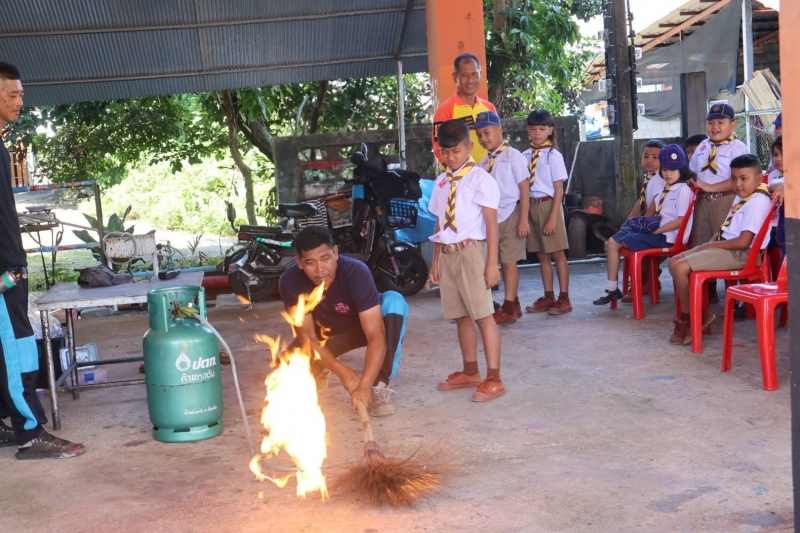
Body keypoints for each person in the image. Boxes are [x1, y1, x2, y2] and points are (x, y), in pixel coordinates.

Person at [0, 63, 85, 459]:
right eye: (12, 94)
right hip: (3, 272)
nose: (20, 101)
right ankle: (30, 433)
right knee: (17, 350)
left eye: (21, 94)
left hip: (8, 265)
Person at [278, 226, 408, 417]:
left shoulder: (356, 272)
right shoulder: (290, 281)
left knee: (395, 302)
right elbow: (308, 338)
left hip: (360, 328)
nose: (320, 269)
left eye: (325, 258)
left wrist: (364, 384)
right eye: (310, 262)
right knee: (283, 372)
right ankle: (324, 366)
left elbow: (376, 336)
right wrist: (342, 371)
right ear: (299, 262)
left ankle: (379, 385)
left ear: (335, 253)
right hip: (327, 334)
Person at [427, 119, 505, 402]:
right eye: (445, 152)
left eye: (455, 151)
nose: (450, 157)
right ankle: (470, 370)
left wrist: (491, 263)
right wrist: (435, 262)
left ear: (469, 147)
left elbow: (491, 224)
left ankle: (494, 378)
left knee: (483, 315)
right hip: (447, 255)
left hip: (472, 252)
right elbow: (440, 223)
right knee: (459, 315)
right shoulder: (441, 182)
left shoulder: (480, 179)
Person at [668, 154, 773, 345]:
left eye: (743, 178)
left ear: (759, 178)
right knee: (674, 261)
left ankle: (688, 318)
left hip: (743, 254)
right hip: (727, 247)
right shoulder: (743, 196)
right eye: (734, 178)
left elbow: (743, 242)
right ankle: (699, 315)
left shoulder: (758, 201)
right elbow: (725, 229)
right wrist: (706, 245)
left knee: (682, 267)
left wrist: (709, 246)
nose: (738, 184)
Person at [593, 145, 694, 305]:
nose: (668, 174)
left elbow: (681, 221)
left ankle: (642, 281)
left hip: (668, 237)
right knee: (613, 241)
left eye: (673, 170)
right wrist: (639, 225)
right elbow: (650, 212)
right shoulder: (666, 189)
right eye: (665, 169)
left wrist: (658, 230)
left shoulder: (683, 190)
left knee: (624, 241)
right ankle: (611, 288)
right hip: (657, 232)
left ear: (682, 170)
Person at [689, 103, 749, 304]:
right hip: (702, 202)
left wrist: (711, 187)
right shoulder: (703, 146)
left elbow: (740, 179)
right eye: (711, 122)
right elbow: (694, 171)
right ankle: (708, 291)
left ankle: (736, 295)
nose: (715, 127)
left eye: (720, 122)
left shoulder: (738, 148)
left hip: (726, 201)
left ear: (732, 125)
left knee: (725, 244)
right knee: (701, 244)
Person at [473, 111, 529, 325]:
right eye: (479, 135)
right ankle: (514, 302)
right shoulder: (484, 162)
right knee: (499, 261)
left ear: (499, 130)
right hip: (493, 217)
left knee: (509, 262)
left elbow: (524, 188)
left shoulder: (513, 156)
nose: (483, 138)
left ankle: (508, 309)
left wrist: (523, 219)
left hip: (511, 213)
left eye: (487, 133)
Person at [522, 110, 572, 316]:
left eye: (542, 129)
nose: (537, 133)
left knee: (557, 253)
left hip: (549, 205)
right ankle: (548, 296)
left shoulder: (554, 155)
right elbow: (523, 187)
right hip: (531, 206)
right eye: (533, 129)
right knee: (542, 255)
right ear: (528, 130)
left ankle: (564, 298)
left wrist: (552, 218)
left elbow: (559, 189)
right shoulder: (524, 156)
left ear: (550, 130)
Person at [619, 139, 666, 303]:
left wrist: (641, 227)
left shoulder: (662, 178)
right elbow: (642, 202)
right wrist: (627, 222)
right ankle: (650, 279)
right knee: (623, 234)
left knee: (634, 241)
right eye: (646, 156)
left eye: (655, 157)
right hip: (651, 224)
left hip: (660, 226)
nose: (649, 160)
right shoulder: (650, 177)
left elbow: (654, 205)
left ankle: (644, 282)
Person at [432, 53, 497, 167]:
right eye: (464, 75)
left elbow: (497, 141)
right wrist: (459, 173)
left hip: (488, 173)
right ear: (455, 77)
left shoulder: (489, 108)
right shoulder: (445, 110)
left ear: (481, 75)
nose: (470, 80)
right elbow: (438, 149)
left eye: (474, 74)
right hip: (459, 175)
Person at [766, 135, 785, 262]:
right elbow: (772, 186)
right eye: (775, 154)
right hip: (770, 225)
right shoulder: (773, 175)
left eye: (783, 154)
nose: (778, 159)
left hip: (784, 226)